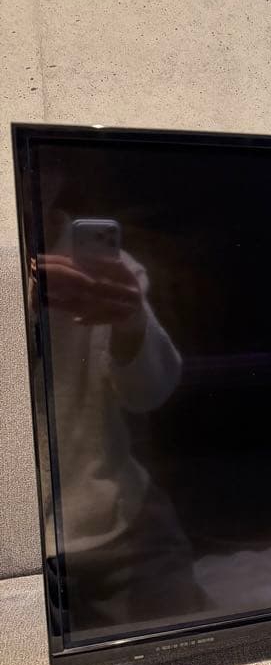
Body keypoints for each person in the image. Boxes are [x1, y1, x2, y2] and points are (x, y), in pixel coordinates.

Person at [33, 193, 206, 635]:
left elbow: (149, 393)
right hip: (26, 537)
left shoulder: (113, 269)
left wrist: (130, 324)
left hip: (121, 515)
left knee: (190, 648)